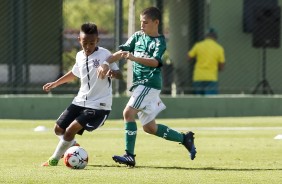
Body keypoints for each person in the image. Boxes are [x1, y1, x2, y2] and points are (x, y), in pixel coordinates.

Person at [97, 7, 196, 167]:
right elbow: (121, 52)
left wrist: (134, 58)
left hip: (149, 83)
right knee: (150, 128)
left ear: (156, 22)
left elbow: (155, 62)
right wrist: (106, 63)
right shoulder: (137, 36)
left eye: (145, 22)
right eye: (141, 22)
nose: (141, 25)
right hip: (140, 85)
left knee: (128, 113)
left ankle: (129, 155)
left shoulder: (159, 41)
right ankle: (185, 139)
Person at [41, 22, 122, 166]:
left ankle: (54, 159)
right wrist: (55, 83)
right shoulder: (79, 56)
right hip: (80, 101)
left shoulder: (105, 55)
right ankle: (73, 147)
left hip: (99, 105)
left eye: (92, 43)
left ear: (97, 40)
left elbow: (120, 74)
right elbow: (74, 74)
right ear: (79, 40)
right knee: (58, 129)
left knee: (70, 130)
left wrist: (112, 73)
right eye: (85, 42)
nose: (88, 46)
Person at [188, 28, 225, 95]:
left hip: (198, 77)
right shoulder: (219, 48)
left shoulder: (198, 45)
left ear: (206, 36)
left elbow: (189, 57)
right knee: (210, 101)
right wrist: (218, 68)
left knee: (198, 100)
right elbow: (221, 65)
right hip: (211, 77)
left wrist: (197, 57)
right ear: (215, 37)